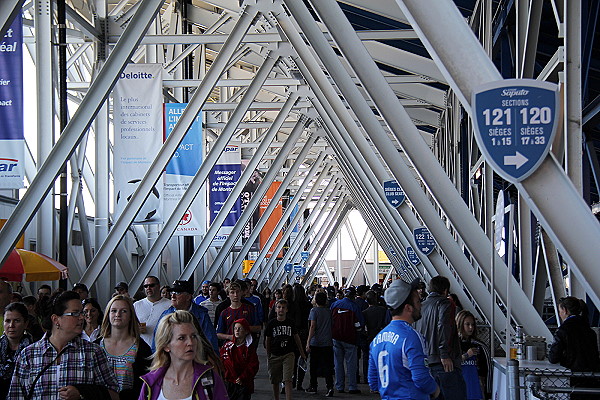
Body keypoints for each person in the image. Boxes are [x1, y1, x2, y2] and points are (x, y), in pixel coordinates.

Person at [8, 290, 119, 400]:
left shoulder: (93, 352)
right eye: (75, 313)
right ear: (56, 319)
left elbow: (114, 395)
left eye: (82, 313)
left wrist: (83, 392)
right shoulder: (29, 355)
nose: (81, 317)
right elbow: (15, 395)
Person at [368, 279, 440, 399]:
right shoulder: (411, 337)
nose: (421, 305)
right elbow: (421, 378)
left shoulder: (376, 340)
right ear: (408, 308)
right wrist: (437, 391)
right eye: (418, 301)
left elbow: (373, 382)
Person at [139, 310, 228, 400]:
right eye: (182, 338)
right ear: (166, 346)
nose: (190, 342)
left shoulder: (209, 379)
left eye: (193, 336)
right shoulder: (151, 383)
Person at [414, 276, 466, 400]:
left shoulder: (421, 306)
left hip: (426, 363)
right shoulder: (445, 303)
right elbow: (443, 326)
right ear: (446, 290)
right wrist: (444, 354)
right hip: (443, 363)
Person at [98, 295, 152, 399]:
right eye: (113, 311)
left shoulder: (142, 348)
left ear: (131, 315)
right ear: (108, 314)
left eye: (124, 311)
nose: (118, 314)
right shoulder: (96, 346)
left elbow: (146, 385)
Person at [549, 296, 600, 400]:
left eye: (560, 311)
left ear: (565, 310)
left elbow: (553, 358)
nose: (559, 314)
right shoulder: (589, 331)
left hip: (573, 378)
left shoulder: (563, 330)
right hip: (593, 378)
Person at [154, 280, 219, 353]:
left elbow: (211, 343)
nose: (173, 296)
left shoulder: (201, 315)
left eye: (177, 293)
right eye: (172, 292)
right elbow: (156, 341)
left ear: (188, 297)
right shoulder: (165, 315)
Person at [265, 299, 307, 400]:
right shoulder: (271, 324)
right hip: (275, 354)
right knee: (275, 380)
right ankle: (276, 398)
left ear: (287, 310)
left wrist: (302, 353)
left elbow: (296, 338)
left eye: (283, 308)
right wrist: (268, 355)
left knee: (288, 379)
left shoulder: (290, 323)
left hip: (288, 354)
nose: (281, 310)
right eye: (279, 307)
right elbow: (268, 340)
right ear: (275, 309)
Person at [330, 286, 364, 394]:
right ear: (353, 296)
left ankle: (339, 386)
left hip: (336, 337)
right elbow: (360, 323)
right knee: (351, 363)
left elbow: (330, 319)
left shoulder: (335, 304)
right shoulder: (354, 307)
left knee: (338, 363)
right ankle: (352, 386)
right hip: (350, 338)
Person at [220, 318, 259, 400]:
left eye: (240, 328)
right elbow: (221, 361)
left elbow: (253, 366)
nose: (237, 330)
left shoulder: (249, 349)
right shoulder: (227, 346)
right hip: (229, 383)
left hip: (243, 384)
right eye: (235, 328)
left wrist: (242, 377)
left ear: (246, 331)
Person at [0, 303, 33, 398]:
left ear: (26, 323)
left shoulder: (33, 350)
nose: (11, 325)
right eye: (7, 321)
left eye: (17, 321)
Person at [456, 310, 491, 400]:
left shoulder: (480, 346)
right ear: (460, 324)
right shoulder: (452, 344)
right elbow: (449, 363)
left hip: (475, 390)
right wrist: (466, 355)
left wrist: (487, 392)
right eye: (467, 324)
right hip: (456, 388)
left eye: (472, 324)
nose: (471, 327)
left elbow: (487, 371)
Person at [305, 291, 334, 397]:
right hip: (327, 342)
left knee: (313, 365)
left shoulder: (314, 311)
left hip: (316, 342)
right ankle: (330, 387)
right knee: (328, 366)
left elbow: (312, 326)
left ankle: (313, 385)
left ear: (316, 300)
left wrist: (308, 341)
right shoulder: (328, 311)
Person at [362, 290, 391, 385]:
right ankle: (381, 378)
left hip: (369, 338)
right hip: (381, 338)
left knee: (367, 359)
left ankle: (368, 379)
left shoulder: (364, 313)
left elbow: (363, 327)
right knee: (381, 359)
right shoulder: (383, 310)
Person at [134, 276, 171, 346]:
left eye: (151, 285)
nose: (148, 288)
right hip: (142, 349)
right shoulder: (136, 305)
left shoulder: (169, 305)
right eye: (146, 286)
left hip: (162, 348)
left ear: (159, 286)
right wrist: (135, 329)